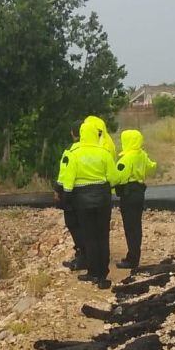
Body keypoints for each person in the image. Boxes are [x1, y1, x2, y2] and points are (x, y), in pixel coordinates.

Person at [59, 118, 119, 289]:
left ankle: (93, 273)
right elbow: (114, 178)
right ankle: (103, 272)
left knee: (90, 237)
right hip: (103, 198)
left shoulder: (74, 154)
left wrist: (66, 198)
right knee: (103, 236)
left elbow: (68, 181)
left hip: (82, 200)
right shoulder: (104, 153)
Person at [115, 129, 157, 269]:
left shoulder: (126, 159)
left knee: (130, 227)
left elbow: (118, 178)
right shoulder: (142, 154)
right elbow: (152, 165)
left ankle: (132, 259)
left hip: (128, 194)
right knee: (136, 226)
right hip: (139, 191)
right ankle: (134, 255)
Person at [55, 121, 85, 271]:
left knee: (74, 225)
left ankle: (81, 257)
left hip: (73, 195)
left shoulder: (71, 152)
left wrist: (58, 190)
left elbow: (64, 174)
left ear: (72, 133)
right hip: (95, 195)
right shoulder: (98, 150)